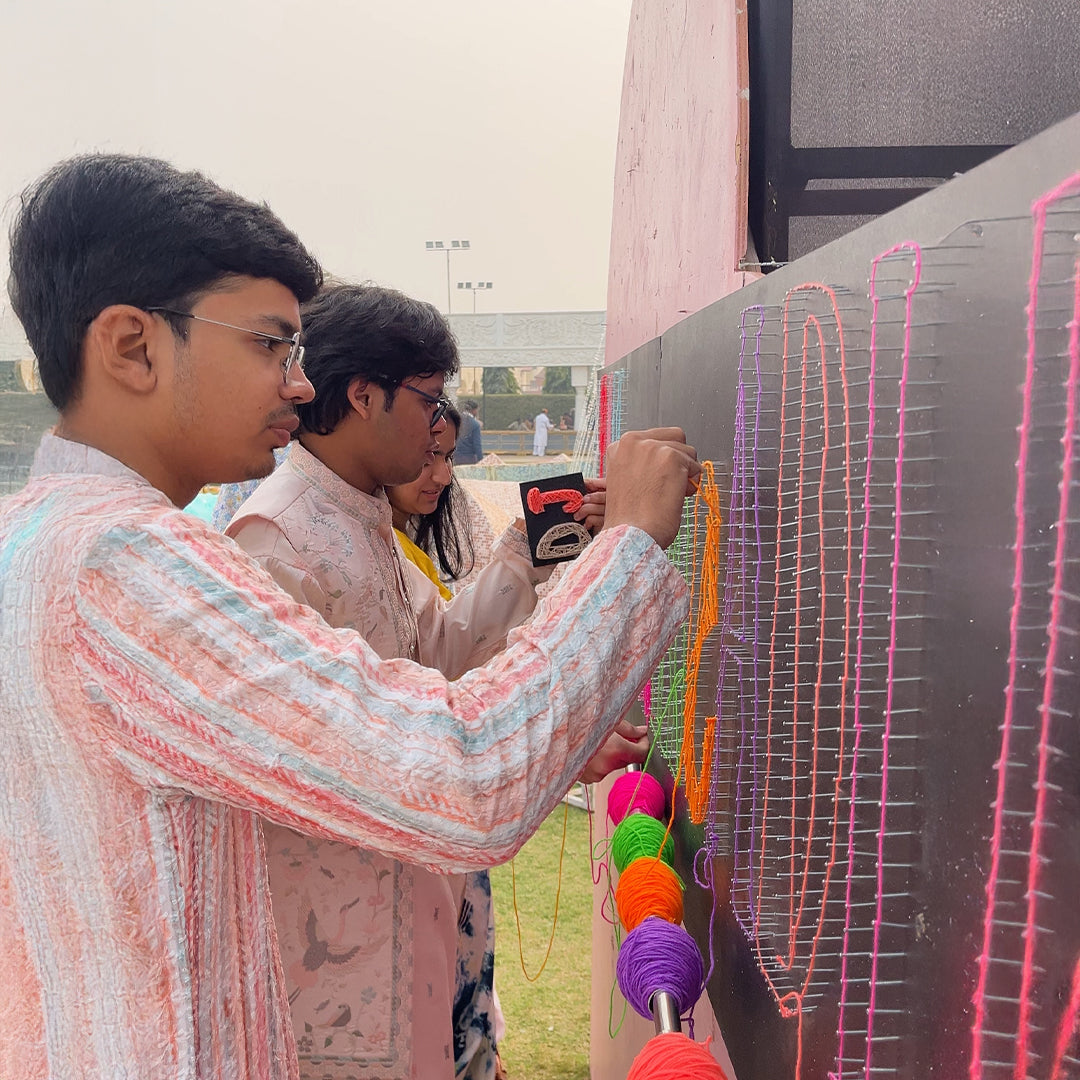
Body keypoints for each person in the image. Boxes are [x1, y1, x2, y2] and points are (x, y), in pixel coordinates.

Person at [0, 153, 699, 1079]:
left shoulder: (40, 538)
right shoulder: (126, 567)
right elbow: (463, 775)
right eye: (269, 345)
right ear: (132, 346)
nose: (299, 384)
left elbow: (426, 674)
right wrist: (633, 553)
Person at [224, 284, 642, 1080]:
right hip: (338, 949)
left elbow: (440, 656)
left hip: (414, 908)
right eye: (429, 400)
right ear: (363, 395)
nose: (440, 426)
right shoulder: (276, 542)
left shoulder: (361, 521)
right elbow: (365, 753)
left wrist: (527, 547)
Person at [455, 398, 483, 464]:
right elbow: (477, 445)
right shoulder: (475, 424)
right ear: (474, 410)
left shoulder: (456, 420)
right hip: (469, 458)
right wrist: (481, 460)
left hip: (455, 457)